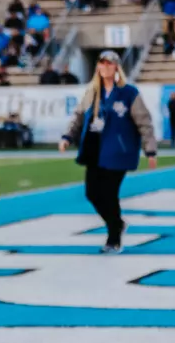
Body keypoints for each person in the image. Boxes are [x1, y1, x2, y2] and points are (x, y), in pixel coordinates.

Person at [59, 50, 157, 253]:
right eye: (102, 63)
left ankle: (113, 238)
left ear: (116, 67)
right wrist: (67, 137)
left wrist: (150, 149)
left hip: (119, 151)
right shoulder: (92, 92)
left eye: (109, 63)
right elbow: (78, 117)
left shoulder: (129, 93)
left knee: (110, 194)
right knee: (92, 193)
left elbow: (144, 122)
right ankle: (118, 223)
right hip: (94, 149)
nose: (105, 66)